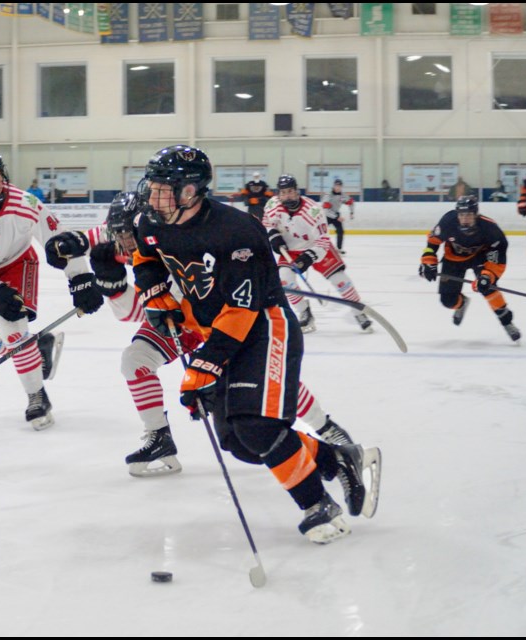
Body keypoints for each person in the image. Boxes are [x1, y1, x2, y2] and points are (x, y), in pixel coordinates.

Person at [132, 145, 380, 543]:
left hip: (264, 326)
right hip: (221, 331)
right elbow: (146, 258)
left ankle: (318, 505)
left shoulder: (237, 230)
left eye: (167, 189)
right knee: (238, 442)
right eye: (155, 188)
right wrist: (156, 293)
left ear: (193, 191)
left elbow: (240, 310)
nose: (156, 197)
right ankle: (336, 458)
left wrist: (202, 368)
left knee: (258, 427)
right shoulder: (151, 221)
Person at [79, 191, 363, 479]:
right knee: (135, 361)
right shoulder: (138, 236)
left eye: (128, 236)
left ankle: (324, 426)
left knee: (262, 379)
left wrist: (114, 287)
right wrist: (95, 269)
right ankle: (159, 438)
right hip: (186, 322)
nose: (124, 245)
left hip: (222, 321)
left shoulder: (173, 240)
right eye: (120, 237)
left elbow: (141, 312)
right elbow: (130, 302)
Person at [0, 145, 103, 429]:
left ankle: (36, 395)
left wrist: (79, 278)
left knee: (14, 327)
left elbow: (59, 239)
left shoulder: (25, 203)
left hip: (18, 264)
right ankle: (36, 346)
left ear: (3, 175)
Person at [263, 174, 372, 334]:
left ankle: (358, 311)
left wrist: (310, 256)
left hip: (317, 248)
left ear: (297, 191)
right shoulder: (272, 205)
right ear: (279, 193)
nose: (287, 195)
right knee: (285, 281)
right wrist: (273, 236)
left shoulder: (313, 210)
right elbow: (267, 224)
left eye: (290, 191)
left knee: (340, 281)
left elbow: (323, 240)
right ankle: (304, 311)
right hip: (291, 250)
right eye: (283, 192)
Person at [419, 195, 520, 343]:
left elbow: (497, 259)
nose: (465, 218)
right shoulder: (448, 222)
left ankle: (507, 322)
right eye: (461, 215)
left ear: (476, 215)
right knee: (448, 301)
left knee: (488, 288)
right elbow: (432, 243)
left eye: (468, 215)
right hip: (452, 258)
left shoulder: (490, 229)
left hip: (479, 257)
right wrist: (428, 262)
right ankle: (462, 303)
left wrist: (487, 276)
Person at [321, 178, 353, 255]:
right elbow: (326, 210)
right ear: (334, 186)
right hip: (326, 216)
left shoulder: (343, 195)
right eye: (336, 186)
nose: (338, 187)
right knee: (322, 232)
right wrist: (336, 217)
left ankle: (339, 248)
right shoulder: (328, 195)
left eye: (340, 186)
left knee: (340, 231)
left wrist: (352, 212)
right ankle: (319, 248)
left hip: (336, 215)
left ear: (341, 187)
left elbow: (351, 202)